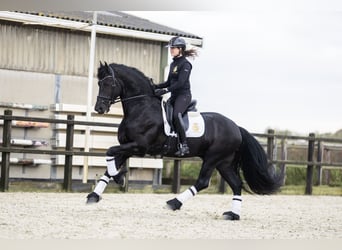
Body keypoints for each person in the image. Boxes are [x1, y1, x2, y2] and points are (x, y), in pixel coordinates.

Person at [154, 36, 198, 156]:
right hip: (174, 96)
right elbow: (168, 82)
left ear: (180, 49)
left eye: (173, 48)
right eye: (171, 48)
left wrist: (165, 91)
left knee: (176, 115)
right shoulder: (173, 64)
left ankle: (184, 145)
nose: (171, 50)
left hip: (183, 96)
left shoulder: (186, 64)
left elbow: (180, 83)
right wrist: (155, 86)